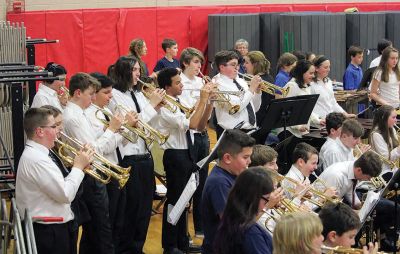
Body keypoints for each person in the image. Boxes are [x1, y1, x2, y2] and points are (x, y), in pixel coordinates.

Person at [16, 107, 93, 254]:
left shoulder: (42, 154)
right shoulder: (38, 159)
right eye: (54, 126)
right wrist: (78, 167)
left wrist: (80, 167)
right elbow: (65, 195)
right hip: (48, 232)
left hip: (53, 228)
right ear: (40, 131)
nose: (59, 130)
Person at [108, 56, 164, 254]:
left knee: (143, 210)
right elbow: (129, 127)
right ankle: (125, 250)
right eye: (134, 70)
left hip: (145, 156)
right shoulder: (114, 96)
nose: (139, 73)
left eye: (139, 69)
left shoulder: (139, 94)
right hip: (128, 158)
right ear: (124, 72)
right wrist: (152, 106)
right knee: (129, 211)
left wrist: (157, 108)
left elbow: (147, 126)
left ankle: (137, 248)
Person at [62, 72, 123, 254]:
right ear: (78, 93)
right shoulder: (74, 117)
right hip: (89, 176)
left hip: (91, 175)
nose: (93, 98)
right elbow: (93, 151)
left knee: (95, 231)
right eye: (90, 94)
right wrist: (111, 129)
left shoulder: (79, 113)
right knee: (101, 230)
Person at [157, 67, 213, 254]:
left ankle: (182, 240)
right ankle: (170, 245)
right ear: (167, 86)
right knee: (175, 201)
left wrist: (210, 103)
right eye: (177, 82)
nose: (182, 85)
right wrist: (202, 99)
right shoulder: (165, 105)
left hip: (187, 153)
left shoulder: (179, 101)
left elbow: (201, 126)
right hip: (175, 156)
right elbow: (193, 123)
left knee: (185, 201)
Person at [201, 129, 256, 254]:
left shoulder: (233, 174)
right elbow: (232, 225)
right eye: (245, 157)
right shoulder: (219, 183)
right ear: (227, 158)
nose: (250, 162)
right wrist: (266, 205)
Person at [179, 47, 210, 238]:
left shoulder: (201, 82)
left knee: (202, 182)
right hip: (188, 136)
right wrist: (202, 99)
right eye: (196, 62)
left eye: (200, 62)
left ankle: (200, 226)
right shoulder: (179, 83)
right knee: (188, 183)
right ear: (185, 63)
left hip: (203, 134)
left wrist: (210, 100)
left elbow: (206, 112)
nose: (199, 66)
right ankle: (183, 233)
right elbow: (188, 111)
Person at [213, 167, 274, 254]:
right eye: (266, 199)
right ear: (253, 197)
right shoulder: (251, 233)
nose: (266, 203)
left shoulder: (231, 218)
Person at [213, 50, 262, 139]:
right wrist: (251, 90)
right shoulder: (217, 84)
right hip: (232, 134)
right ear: (222, 67)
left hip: (250, 130)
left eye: (237, 65)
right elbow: (236, 107)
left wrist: (257, 92)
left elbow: (255, 107)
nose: (237, 68)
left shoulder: (241, 80)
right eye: (233, 64)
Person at [280, 60, 323, 139]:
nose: (313, 76)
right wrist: (298, 126)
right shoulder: (291, 86)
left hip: (301, 132)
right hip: (289, 132)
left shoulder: (306, 86)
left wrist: (318, 121)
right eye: (310, 73)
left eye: (313, 73)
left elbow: (307, 109)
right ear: (302, 72)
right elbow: (286, 111)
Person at [310, 55, 356, 122]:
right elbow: (308, 108)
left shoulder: (328, 81)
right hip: (318, 123)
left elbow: (333, 102)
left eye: (329, 67)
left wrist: (345, 114)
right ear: (316, 68)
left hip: (329, 120)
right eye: (325, 67)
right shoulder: (311, 84)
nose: (328, 70)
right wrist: (317, 120)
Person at [243, 50, 275, 143]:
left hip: (257, 122)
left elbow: (257, 105)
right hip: (264, 121)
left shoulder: (257, 80)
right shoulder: (268, 77)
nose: (244, 65)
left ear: (255, 64)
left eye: (247, 62)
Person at [369, 105, 400, 178]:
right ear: (384, 118)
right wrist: (399, 149)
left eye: (396, 117)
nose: (396, 120)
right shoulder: (376, 134)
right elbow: (386, 158)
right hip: (381, 172)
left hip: (392, 168)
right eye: (393, 117)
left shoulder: (391, 128)